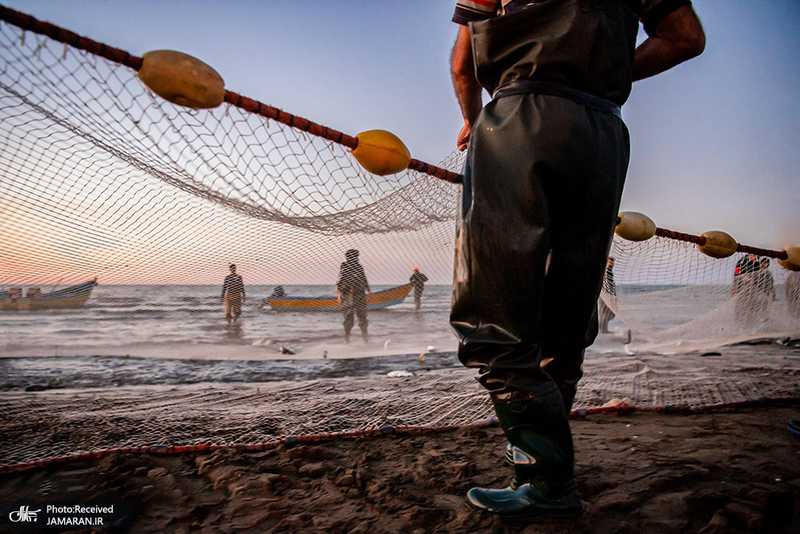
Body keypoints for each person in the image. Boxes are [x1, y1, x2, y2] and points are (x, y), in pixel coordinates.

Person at [449, 0, 705, 519]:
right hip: (603, 132)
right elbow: (685, 37)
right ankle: (538, 472)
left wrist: (477, 122)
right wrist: (602, 70)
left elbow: (463, 61)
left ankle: (547, 482)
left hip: (523, 118)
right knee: (566, 316)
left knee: (490, 320)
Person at [336, 249, 371, 343]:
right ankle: (346, 340)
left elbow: (364, 279)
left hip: (359, 294)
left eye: (356, 257)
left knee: (362, 319)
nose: (356, 259)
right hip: (348, 295)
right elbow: (339, 281)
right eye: (354, 257)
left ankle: (365, 340)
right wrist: (339, 294)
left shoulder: (359, 267)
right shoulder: (345, 266)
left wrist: (369, 290)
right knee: (348, 319)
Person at [598, 257, 617, 333]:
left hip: (609, 296)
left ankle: (603, 329)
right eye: (610, 261)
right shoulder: (605, 271)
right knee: (604, 313)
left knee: (610, 313)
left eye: (612, 262)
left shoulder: (609, 271)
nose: (612, 263)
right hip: (604, 296)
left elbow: (611, 285)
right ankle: (603, 330)